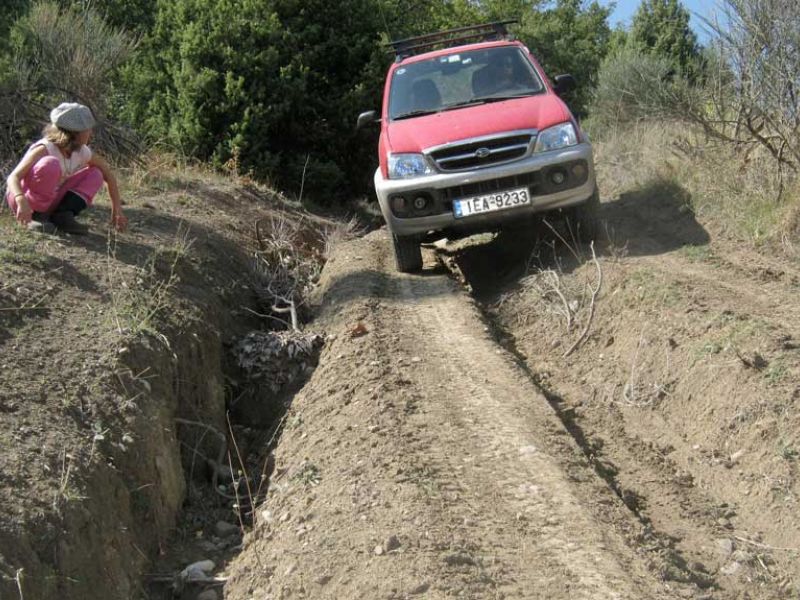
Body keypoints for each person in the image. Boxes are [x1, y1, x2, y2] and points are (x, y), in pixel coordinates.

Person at [5, 102, 128, 234]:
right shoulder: (45, 148)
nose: (90, 133)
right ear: (75, 133)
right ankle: (35, 218)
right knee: (50, 164)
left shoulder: (81, 152)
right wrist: (21, 199)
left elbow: (108, 174)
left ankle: (62, 217)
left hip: (49, 201)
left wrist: (117, 209)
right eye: (87, 129)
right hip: (25, 201)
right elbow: (13, 177)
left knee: (96, 173)